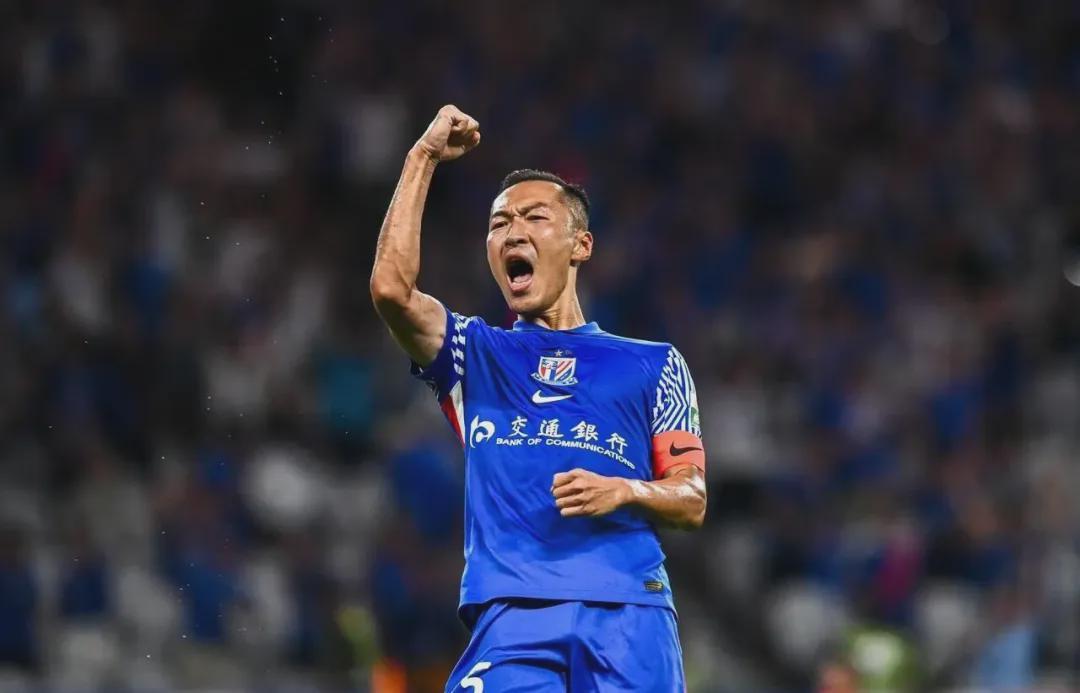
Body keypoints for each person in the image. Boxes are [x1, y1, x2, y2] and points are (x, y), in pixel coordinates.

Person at [371, 104, 707, 691]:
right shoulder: (473, 354)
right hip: (512, 616)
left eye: (534, 217)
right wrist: (422, 157)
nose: (513, 231)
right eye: (499, 223)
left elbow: (692, 497)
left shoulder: (655, 363)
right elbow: (392, 291)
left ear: (581, 245)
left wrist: (626, 489)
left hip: (631, 612)